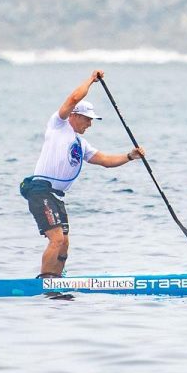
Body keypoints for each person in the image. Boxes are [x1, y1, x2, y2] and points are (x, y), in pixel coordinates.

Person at [20, 70, 145, 295]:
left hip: (56, 196)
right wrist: (91, 80)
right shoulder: (58, 125)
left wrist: (129, 156)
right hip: (41, 190)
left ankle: (56, 282)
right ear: (75, 116)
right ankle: (46, 282)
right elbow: (73, 99)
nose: (90, 124)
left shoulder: (81, 143)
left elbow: (105, 160)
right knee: (57, 239)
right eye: (88, 119)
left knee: (64, 243)